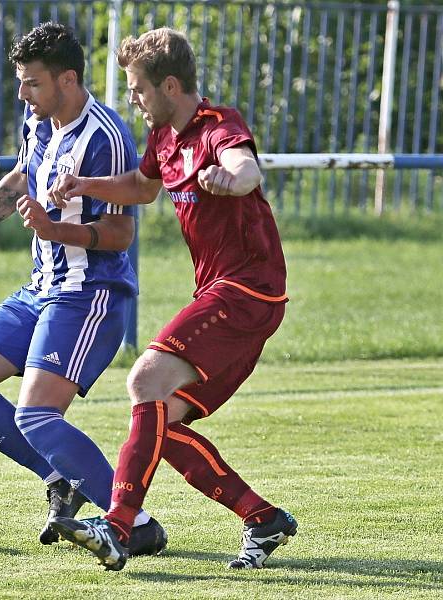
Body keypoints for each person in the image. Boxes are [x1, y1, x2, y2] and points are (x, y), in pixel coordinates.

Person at [49, 28, 297, 571]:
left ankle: (117, 527)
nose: (132, 99)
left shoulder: (218, 127)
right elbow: (141, 188)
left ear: (169, 84)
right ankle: (262, 518)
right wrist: (84, 184)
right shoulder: (163, 136)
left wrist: (230, 180)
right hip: (227, 293)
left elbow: (246, 168)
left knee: (143, 381)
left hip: (247, 287)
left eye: (137, 88)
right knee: (160, 420)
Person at [0, 22, 166, 556]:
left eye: (32, 83)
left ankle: (137, 523)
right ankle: (65, 476)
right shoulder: (39, 123)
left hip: (91, 293)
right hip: (41, 288)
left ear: (67, 79)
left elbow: (122, 234)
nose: (22, 94)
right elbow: (22, 176)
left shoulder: (105, 137)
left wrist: (54, 229)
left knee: (34, 414)